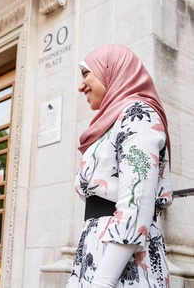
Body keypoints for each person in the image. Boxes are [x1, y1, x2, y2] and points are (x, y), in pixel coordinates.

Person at [66, 44, 173, 288]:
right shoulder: (110, 124)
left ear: (110, 70)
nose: (80, 85)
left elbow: (137, 200)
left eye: (86, 73)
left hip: (121, 262)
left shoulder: (138, 115)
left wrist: (103, 282)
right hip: (99, 252)